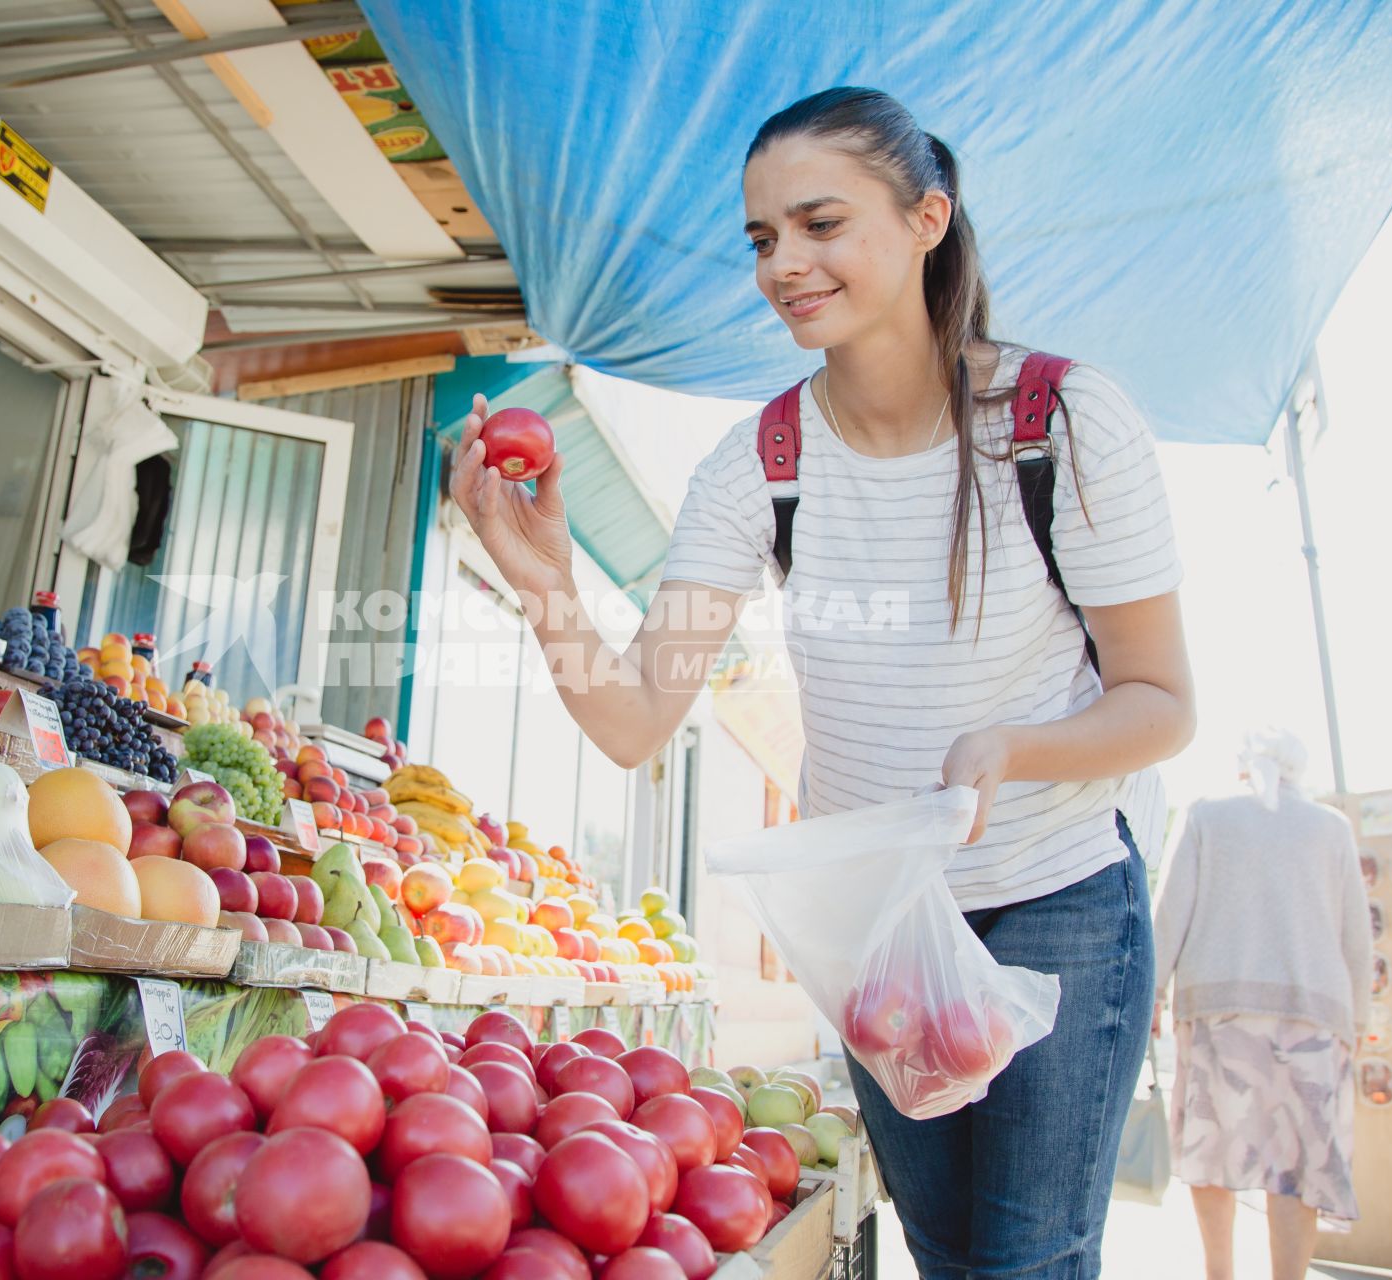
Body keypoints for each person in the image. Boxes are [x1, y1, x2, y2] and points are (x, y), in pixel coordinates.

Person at [450, 86, 1194, 1277]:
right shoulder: (762, 462)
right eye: (761, 238)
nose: (783, 264)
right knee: (943, 1252)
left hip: (1058, 903)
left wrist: (1011, 745)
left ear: (926, 218)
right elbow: (639, 720)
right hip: (880, 928)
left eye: (819, 223)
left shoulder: (1062, 421)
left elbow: (1162, 701)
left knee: (1028, 1261)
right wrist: (545, 583)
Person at [1151, 729, 1369, 1280]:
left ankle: (1219, 1272)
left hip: (1217, 1013)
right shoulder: (1332, 828)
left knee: (1212, 1153)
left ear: (1241, 766)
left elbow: (1170, 911)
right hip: (1314, 1018)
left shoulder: (1206, 815)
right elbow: (1355, 938)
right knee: (1296, 1168)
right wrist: (1358, 1020)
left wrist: (1151, 992)